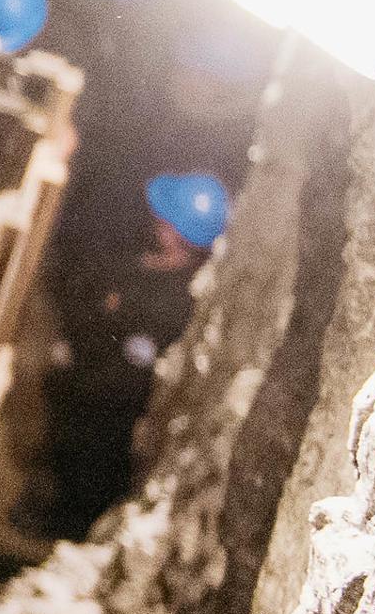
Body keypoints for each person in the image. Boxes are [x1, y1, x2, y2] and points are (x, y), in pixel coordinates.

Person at [34, 170, 229, 532]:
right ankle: (57, 502)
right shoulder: (141, 268)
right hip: (89, 375)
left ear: (176, 232)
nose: (158, 225)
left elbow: (131, 359)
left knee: (89, 457)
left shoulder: (177, 298)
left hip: (109, 401)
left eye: (166, 222)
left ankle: (67, 521)